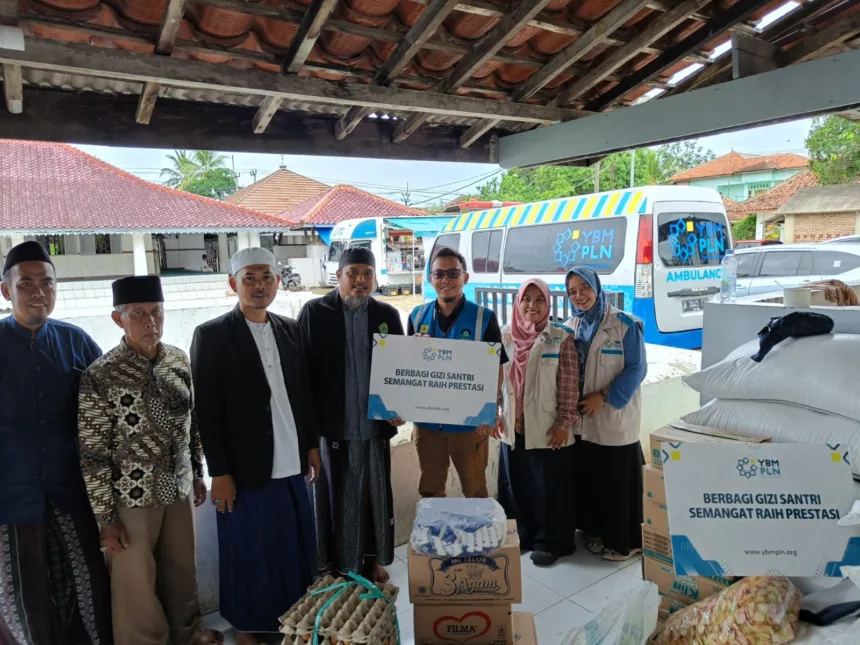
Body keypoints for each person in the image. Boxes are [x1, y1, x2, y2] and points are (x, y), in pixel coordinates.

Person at [77, 276, 222, 645]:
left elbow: (192, 423)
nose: (150, 322)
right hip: (131, 498)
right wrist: (105, 520)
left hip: (177, 486)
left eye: (157, 312)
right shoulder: (100, 375)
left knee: (181, 572)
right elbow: (92, 454)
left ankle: (189, 635)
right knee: (136, 586)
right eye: (138, 314)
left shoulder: (177, 358)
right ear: (118, 319)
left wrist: (198, 472)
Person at [190, 248, 319, 645]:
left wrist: (310, 447)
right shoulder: (211, 335)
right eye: (250, 277)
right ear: (233, 284)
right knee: (248, 552)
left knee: (290, 549)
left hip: (290, 461)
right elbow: (207, 410)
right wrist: (220, 472)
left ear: (278, 282)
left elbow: (302, 393)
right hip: (245, 470)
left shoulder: (291, 328)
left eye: (267, 276)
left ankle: (289, 620)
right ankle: (247, 629)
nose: (260, 285)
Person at [0, 241, 112, 644]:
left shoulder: (76, 342)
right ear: (6, 290)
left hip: (71, 494)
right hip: (10, 500)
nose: (38, 292)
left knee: (85, 593)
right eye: (26, 283)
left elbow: (109, 411)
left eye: (47, 283)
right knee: (20, 598)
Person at [299, 247, 403, 583]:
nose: (360, 280)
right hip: (333, 429)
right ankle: (337, 566)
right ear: (338, 275)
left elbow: (402, 369)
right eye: (353, 273)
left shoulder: (387, 313)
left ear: (374, 278)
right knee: (335, 500)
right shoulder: (315, 312)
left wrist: (402, 406)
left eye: (367, 274)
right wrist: (308, 433)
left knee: (376, 500)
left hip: (374, 427)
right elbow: (301, 374)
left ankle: (371, 562)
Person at [407, 247, 507, 498]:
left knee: (474, 489)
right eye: (439, 274)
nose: (446, 280)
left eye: (453, 273)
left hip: (469, 424)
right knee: (430, 489)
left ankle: (478, 537)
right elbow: (405, 368)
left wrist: (492, 410)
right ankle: (436, 537)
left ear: (466, 277)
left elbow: (496, 368)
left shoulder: (484, 318)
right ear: (431, 279)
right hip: (427, 424)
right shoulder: (417, 316)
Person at [566, 267, 647, 562]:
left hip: (614, 415)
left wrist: (605, 397)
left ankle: (626, 542)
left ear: (597, 287)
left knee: (617, 482)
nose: (579, 296)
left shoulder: (625, 324)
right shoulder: (570, 326)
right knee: (593, 480)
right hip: (585, 419)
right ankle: (598, 533)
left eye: (584, 288)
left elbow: (637, 368)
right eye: (572, 291)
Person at [497, 279, 581, 566]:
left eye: (539, 300)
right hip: (512, 424)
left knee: (550, 486)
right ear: (518, 303)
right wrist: (494, 412)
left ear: (548, 303)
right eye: (526, 299)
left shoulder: (560, 338)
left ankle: (551, 540)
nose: (532, 305)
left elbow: (570, 385)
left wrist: (564, 422)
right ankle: (523, 533)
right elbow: (494, 380)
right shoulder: (504, 336)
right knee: (515, 483)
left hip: (548, 426)